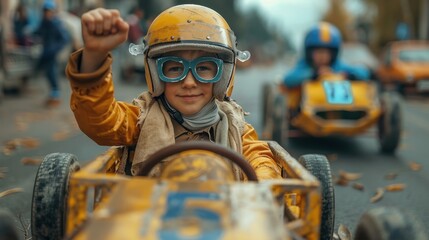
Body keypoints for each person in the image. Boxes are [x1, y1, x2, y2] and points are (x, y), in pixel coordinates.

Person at [65, 5, 282, 180]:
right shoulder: (140, 119)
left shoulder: (237, 127)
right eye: (174, 68)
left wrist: (266, 186)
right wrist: (94, 56)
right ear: (156, 76)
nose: (188, 82)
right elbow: (100, 121)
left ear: (223, 76)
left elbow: (261, 161)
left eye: (204, 68)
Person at [283, 22, 370, 88]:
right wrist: (314, 74)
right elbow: (288, 79)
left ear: (333, 53)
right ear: (309, 52)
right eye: (318, 51)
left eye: (325, 52)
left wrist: (347, 75)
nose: (322, 56)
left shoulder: (337, 66)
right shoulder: (305, 65)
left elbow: (364, 73)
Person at [34, 0, 69, 107]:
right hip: (45, 53)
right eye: (45, 12)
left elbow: (64, 39)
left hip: (52, 54)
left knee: (53, 74)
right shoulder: (44, 23)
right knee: (48, 75)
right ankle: (52, 95)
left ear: (52, 12)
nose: (46, 14)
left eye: (48, 11)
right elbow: (37, 32)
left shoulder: (56, 24)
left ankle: (56, 95)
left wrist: (55, 49)